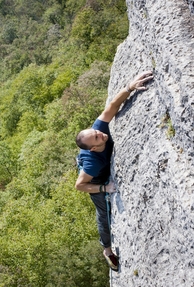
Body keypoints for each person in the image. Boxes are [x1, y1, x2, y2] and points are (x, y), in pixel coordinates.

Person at [74, 70, 154, 271]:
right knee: (103, 214)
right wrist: (103, 188)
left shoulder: (98, 131)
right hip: (95, 181)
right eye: (97, 137)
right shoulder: (93, 162)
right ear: (93, 147)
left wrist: (130, 87)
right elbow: (80, 185)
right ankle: (107, 251)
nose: (101, 134)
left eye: (97, 132)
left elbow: (111, 106)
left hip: (94, 167)